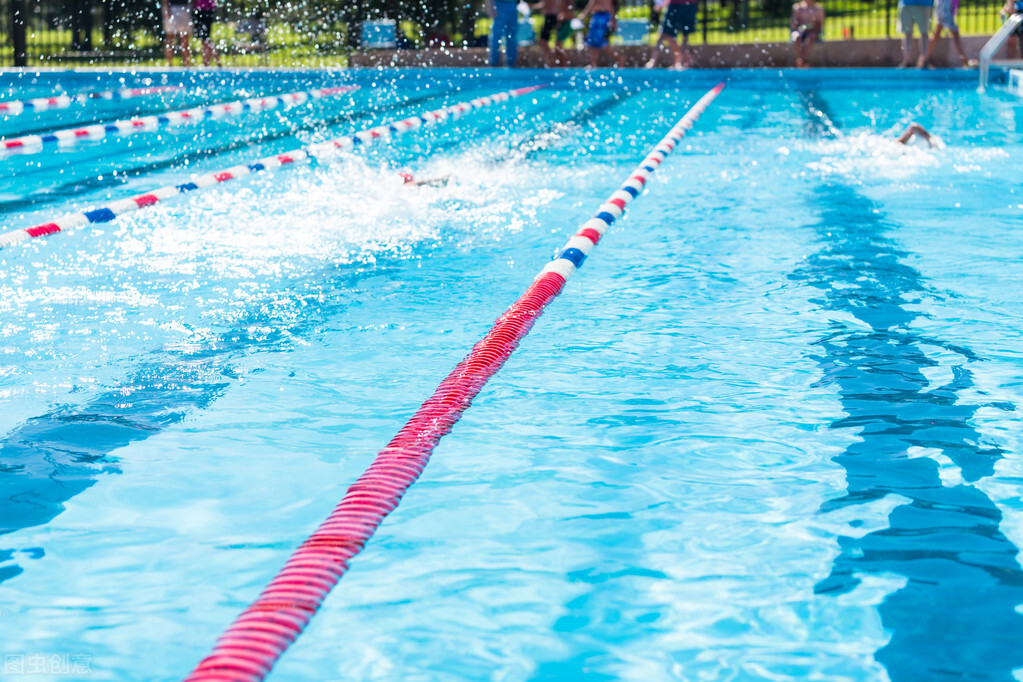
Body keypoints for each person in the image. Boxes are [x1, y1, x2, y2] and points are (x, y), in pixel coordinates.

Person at [645, 0, 698, 69]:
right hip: (675, 4)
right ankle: (655, 60)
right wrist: (660, 3)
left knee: (685, 35)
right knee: (665, 33)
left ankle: (681, 61)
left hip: (689, 4)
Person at [921, 0, 974, 67]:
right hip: (944, 4)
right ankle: (965, 62)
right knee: (954, 33)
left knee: (937, 34)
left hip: (945, 4)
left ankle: (923, 60)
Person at [578, 0, 620, 68]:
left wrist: (583, 15)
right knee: (593, 42)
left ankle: (619, 58)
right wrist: (612, 19)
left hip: (600, 17)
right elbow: (611, 5)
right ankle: (593, 64)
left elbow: (591, 4)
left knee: (597, 41)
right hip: (602, 16)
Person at [897, 0, 933, 68]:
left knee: (924, 33)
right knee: (907, 33)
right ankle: (907, 61)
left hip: (923, 3)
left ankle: (924, 60)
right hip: (907, 3)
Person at [531, 0, 568, 66]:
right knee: (555, 43)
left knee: (542, 42)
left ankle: (552, 61)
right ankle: (554, 61)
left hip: (550, 17)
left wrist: (532, 6)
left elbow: (545, 4)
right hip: (553, 16)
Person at [790, 0, 824, 68]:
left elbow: (820, 24)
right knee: (797, 37)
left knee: (810, 37)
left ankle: (801, 61)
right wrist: (801, 28)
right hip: (801, 31)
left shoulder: (818, 8)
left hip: (813, 32)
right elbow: (794, 23)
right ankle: (803, 61)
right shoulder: (797, 8)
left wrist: (812, 28)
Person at [488, 0, 519, 67]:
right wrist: (491, 7)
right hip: (499, 5)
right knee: (496, 36)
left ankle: (511, 63)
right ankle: (494, 62)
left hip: (512, 5)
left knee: (512, 37)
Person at [162, 0, 193, 67]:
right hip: (172, 8)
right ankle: (169, 63)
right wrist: (166, 8)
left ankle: (187, 63)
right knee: (170, 38)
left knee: (185, 39)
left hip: (186, 8)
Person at [192, 0, 220, 67]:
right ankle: (209, 60)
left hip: (205, 9)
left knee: (205, 38)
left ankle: (208, 61)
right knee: (204, 38)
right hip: (203, 8)